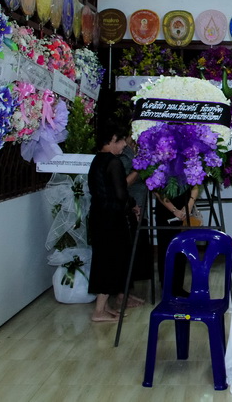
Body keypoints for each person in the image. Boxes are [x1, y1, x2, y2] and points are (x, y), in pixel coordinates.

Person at [87, 122, 143, 322]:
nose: (124, 145)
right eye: (120, 141)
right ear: (111, 140)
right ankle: (99, 311)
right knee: (109, 262)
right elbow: (120, 193)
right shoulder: (113, 162)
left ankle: (104, 307)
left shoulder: (97, 160)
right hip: (111, 218)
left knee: (103, 260)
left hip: (98, 215)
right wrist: (132, 206)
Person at [154, 185, 199, 296]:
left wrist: (189, 205)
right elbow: (156, 190)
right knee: (166, 248)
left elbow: (196, 184)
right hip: (166, 207)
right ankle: (167, 287)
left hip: (185, 205)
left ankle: (178, 287)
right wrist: (174, 210)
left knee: (182, 248)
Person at [120, 135, 152, 282]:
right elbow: (122, 183)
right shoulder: (123, 153)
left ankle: (136, 285)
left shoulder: (139, 148)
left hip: (140, 202)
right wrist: (139, 167)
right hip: (129, 205)